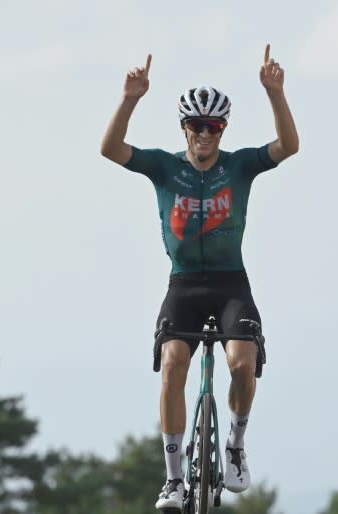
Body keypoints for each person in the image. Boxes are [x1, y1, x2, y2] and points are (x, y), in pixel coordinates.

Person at [100, 44, 299, 512]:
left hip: (232, 283)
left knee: (241, 365)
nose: (204, 133)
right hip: (184, 284)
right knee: (172, 365)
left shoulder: (240, 165)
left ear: (223, 130)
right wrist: (130, 98)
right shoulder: (164, 167)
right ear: (184, 127)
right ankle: (173, 480)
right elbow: (110, 150)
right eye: (196, 125)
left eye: (214, 126)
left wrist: (276, 93)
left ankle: (234, 444)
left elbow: (288, 147)